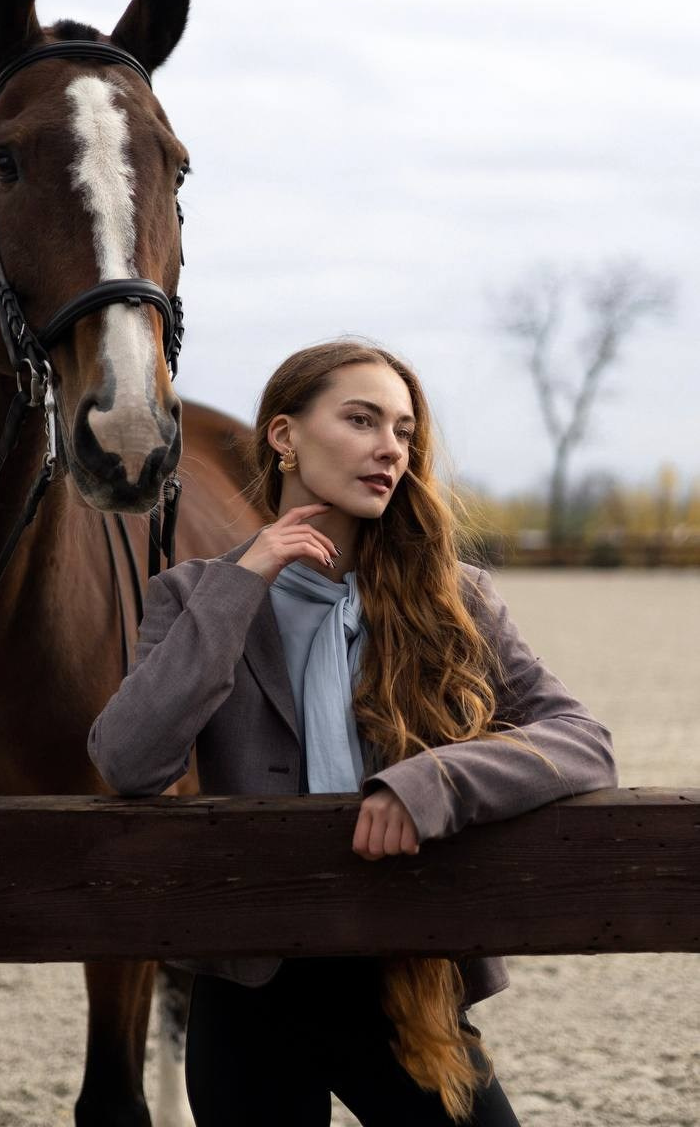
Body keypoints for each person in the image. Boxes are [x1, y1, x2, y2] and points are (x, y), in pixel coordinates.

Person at [88, 338, 618, 1126]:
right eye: (362, 420)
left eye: (403, 431)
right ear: (285, 437)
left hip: (406, 975)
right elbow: (128, 760)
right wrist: (244, 583)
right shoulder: (195, 595)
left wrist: (432, 783)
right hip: (250, 990)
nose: (389, 449)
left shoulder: (454, 598)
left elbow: (582, 741)